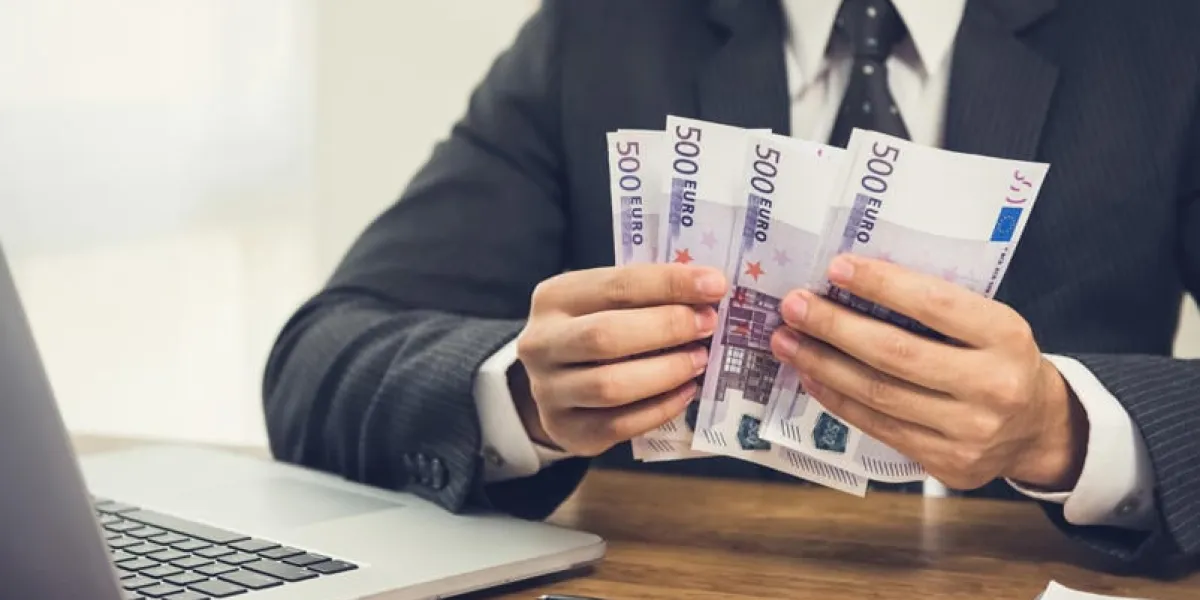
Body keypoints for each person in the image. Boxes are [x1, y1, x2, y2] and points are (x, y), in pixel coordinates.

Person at [262, 0, 1200, 569]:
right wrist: (523, 393)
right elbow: (321, 361)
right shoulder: (601, 27)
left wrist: (1062, 428)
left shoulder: (1165, 34)